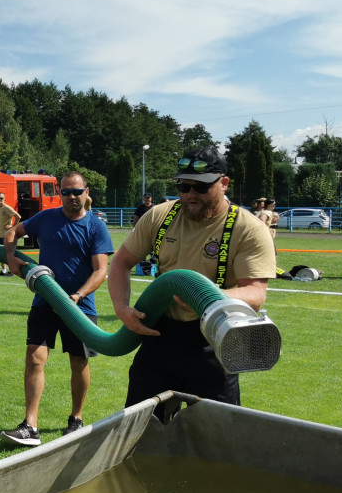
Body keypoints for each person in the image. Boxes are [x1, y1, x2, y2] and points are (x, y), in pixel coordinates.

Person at [107, 146, 276, 411]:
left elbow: (255, 294)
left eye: (200, 187)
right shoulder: (160, 215)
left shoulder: (248, 228)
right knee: (142, 429)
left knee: (214, 434)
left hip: (213, 339)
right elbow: (120, 262)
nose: (190, 195)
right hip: (159, 335)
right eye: (183, 187)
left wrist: (202, 297)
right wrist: (122, 308)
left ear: (224, 183)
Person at [0, 173, 114, 446]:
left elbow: (101, 271)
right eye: (66, 192)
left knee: (78, 362)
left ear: (87, 192)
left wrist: (78, 294)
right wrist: (10, 259)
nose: (71, 197)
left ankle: (76, 419)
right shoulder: (46, 218)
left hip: (79, 306)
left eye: (77, 191)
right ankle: (30, 426)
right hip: (45, 301)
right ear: (60, 193)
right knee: (34, 359)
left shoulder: (96, 227)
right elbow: (12, 232)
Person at [0, 193, 20, 275]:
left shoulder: (7, 208)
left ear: (4, 199)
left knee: (9, 253)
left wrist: (12, 226)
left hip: (6, 234)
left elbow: (18, 216)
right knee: (1, 254)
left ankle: (12, 271)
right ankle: (3, 270)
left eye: (1, 198)